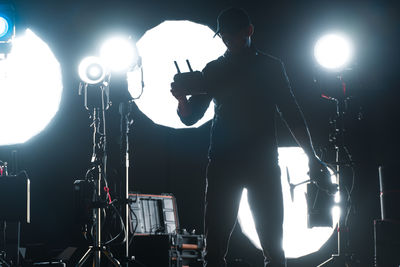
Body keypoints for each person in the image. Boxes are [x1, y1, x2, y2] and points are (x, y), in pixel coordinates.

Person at [171, 7, 328, 267]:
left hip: (260, 164)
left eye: (233, 35)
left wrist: (312, 156)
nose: (228, 40)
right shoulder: (216, 69)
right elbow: (190, 117)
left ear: (249, 31)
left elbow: (293, 115)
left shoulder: (269, 67)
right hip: (226, 164)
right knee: (216, 248)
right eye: (224, 36)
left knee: (274, 248)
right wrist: (181, 99)